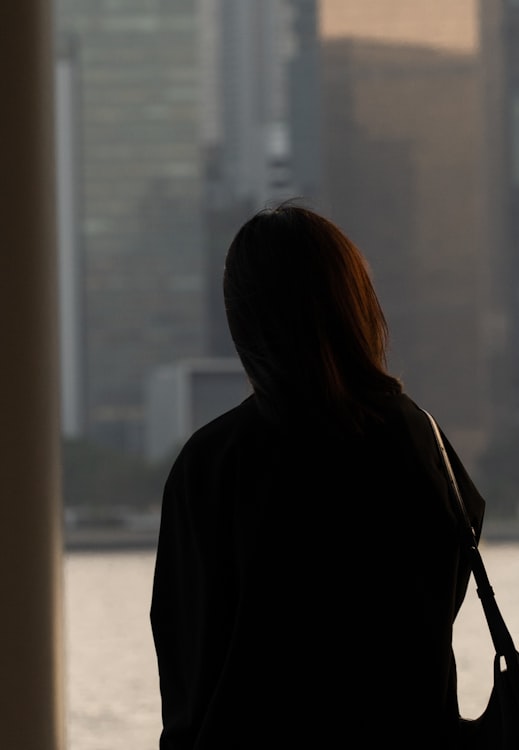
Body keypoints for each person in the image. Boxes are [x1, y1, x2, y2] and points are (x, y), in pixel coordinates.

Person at [150, 204, 485, 748]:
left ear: (246, 320)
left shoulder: (214, 464)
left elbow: (189, 667)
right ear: (356, 305)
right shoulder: (422, 440)